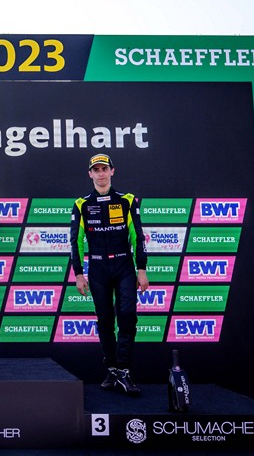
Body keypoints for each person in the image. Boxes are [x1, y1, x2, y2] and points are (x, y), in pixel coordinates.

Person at [70, 153, 149, 396]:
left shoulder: (127, 200)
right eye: (96, 170)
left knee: (127, 316)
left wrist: (142, 269)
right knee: (104, 320)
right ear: (90, 174)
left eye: (105, 169)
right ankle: (113, 369)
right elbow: (76, 241)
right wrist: (78, 274)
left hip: (124, 266)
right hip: (98, 269)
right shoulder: (81, 204)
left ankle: (124, 370)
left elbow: (138, 236)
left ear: (112, 171)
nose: (101, 173)